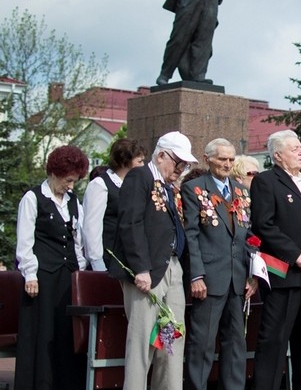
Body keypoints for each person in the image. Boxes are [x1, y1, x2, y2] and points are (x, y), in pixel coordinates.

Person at [110, 131, 198, 390]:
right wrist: (141, 268)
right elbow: (130, 223)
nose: (181, 169)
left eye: (186, 165)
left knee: (171, 339)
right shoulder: (140, 177)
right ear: (161, 156)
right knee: (142, 341)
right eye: (179, 163)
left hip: (171, 267)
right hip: (148, 271)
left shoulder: (166, 185)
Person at [249, 130, 301, 390]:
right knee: (275, 340)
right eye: (295, 149)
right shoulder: (266, 181)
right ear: (278, 155)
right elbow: (264, 224)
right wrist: (294, 254)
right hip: (283, 274)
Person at [182, 138, 257, 390]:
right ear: (207, 159)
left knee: (236, 343)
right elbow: (190, 234)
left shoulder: (242, 191)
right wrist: (196, 275)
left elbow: (251, 236)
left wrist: (252, 273)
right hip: (209, 277)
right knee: (202, 342)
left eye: (230, 159)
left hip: (238, 278)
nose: (227, 164)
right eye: (222, 159)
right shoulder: (194, 188)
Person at [15, 145, 89, 390]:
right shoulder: (33, 198)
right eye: (68, 180)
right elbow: (25, 241)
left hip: (68, 277)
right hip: (42, 278)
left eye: (75, 181)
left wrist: (81, 270)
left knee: (65, 334)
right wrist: (30, 274)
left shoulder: (73, 202)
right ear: (55, 173)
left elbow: (78, 239)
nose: (71, 186)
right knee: (43, 334)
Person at [82, 138, 147, 271]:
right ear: (125, 161)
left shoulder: (135, 186)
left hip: (129, 259)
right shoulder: (100, 185)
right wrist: (97, 262)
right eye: (139, 161)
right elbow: (92, 227)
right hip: (108, 260)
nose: (143, 166)